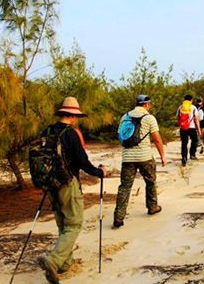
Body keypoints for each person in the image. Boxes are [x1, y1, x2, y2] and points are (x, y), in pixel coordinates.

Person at [38, 97, 109, 284]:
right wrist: (99, 172)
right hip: (68, 183)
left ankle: (64, 262)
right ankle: (53, 260)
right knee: (74, 224)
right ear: (72, 115)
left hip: (50, 183)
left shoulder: (47, 131)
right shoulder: (70, 133)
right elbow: (82, 161)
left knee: (63, 222)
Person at [113, 95, 167, 228]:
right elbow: (157, 139)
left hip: (127, 158)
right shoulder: (149, 118)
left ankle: (119, 217)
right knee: (150, 181)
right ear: (147, 105)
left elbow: (120, 136)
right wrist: (162, 156)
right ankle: (152, 207)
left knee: (125, 187)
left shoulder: (124, 117)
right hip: (145, 156)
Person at [176, 94, 201, 166]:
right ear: (191, 100)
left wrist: (181, 125)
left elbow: (178, 118)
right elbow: (196, 119)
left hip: (183, 128)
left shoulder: (180, 107)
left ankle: (184, 158)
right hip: (192, 128)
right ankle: (192, 154)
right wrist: (198, 129)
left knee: (184, 143)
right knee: (194, 141)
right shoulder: (193, 107)